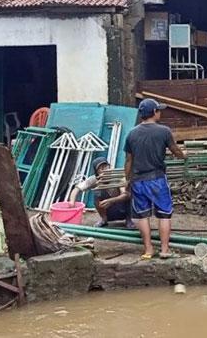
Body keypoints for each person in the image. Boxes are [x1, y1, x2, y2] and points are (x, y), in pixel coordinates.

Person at [124, 98, 187, 259]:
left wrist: (127, 180)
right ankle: (165, 250)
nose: (160, 112)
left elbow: (128, 160)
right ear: (154, 112)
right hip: (157, 179)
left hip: (138, 180)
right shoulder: (163, 131)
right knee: (164, 214)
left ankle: (148, 249)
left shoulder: (131, 134)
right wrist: (183, 155)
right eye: (158, 110)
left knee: (142, 216)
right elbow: (175, 150)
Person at [69, 157, 134, 229]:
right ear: (97, 172)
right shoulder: (94, 179)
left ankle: (129, 220)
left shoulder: (118, 177)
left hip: (122, 208)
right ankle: (104, 219)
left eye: (106, 166)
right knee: (96, 194)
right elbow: (76, 189)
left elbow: (126, 195)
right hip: (109, 210)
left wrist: (111, 200)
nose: (105, 170)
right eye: (101, 168)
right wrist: (72, 203)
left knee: (130, 193)